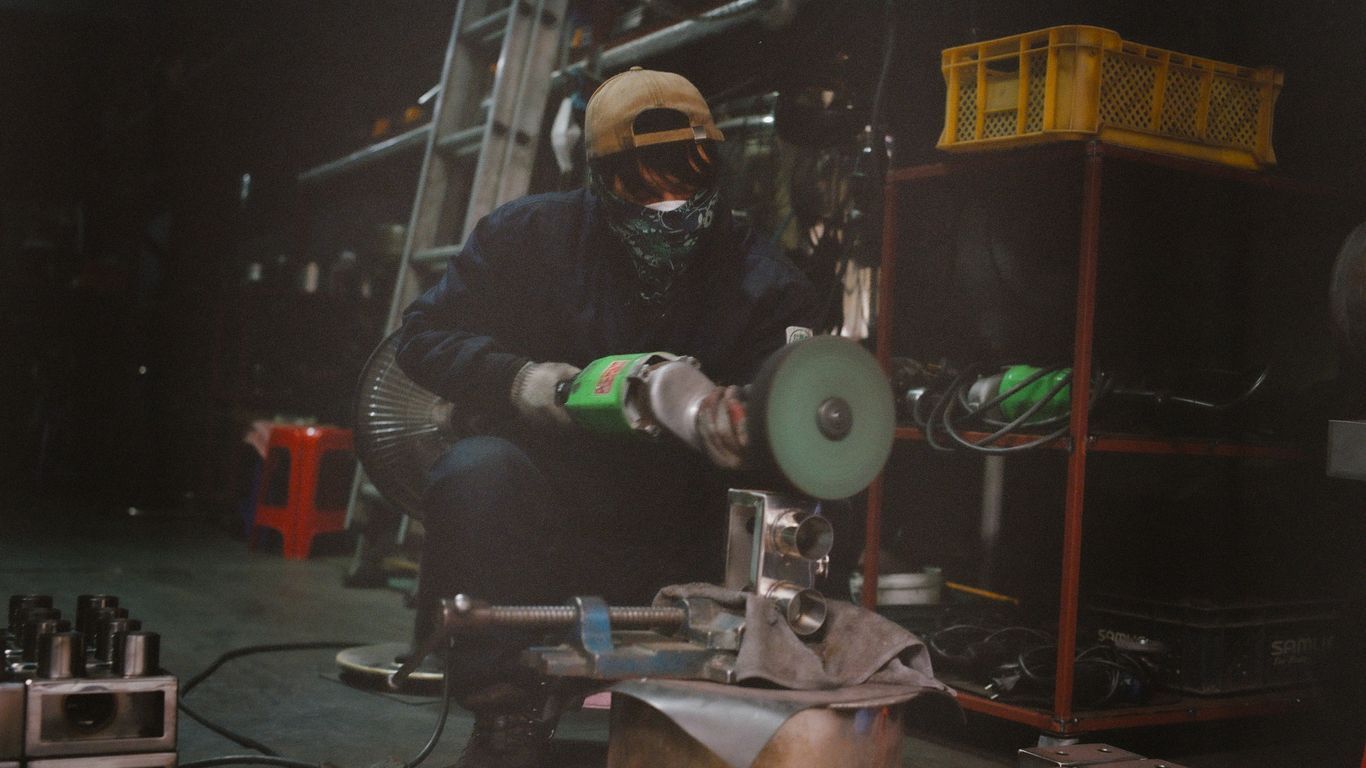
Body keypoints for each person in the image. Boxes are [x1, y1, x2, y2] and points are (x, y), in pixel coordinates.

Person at [395, 67, 822, 767]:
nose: (669, 203)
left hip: (683, 533)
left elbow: (800, 397)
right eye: (641, 184)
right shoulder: (527, 239)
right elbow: (424, 335)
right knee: (478, 472)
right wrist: (522, 381)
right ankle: (505, 712)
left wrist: (752, 423)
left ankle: (727, 713)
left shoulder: (766, 280)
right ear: (596, 175)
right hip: (548, 520)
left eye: (688, 178)